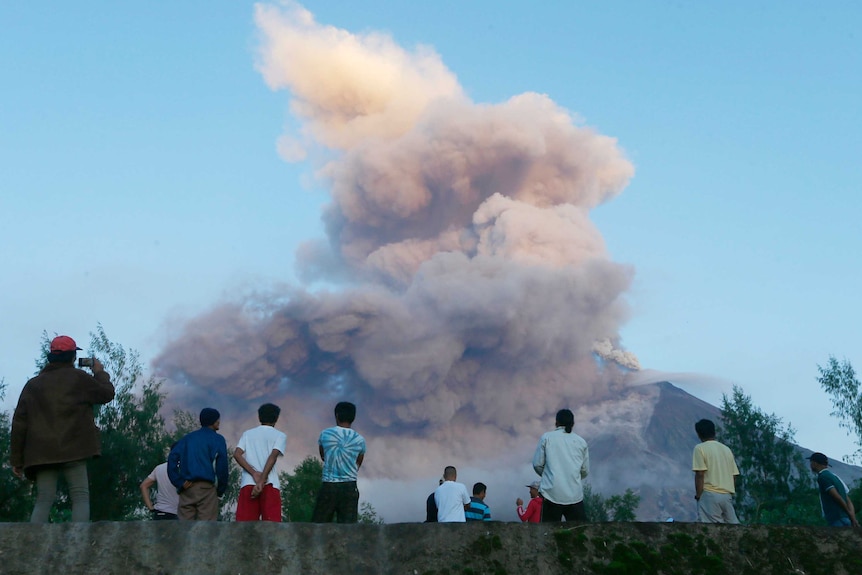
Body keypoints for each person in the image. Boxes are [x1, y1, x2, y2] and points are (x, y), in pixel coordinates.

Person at [10, 335, 115, 523]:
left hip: (42, 453)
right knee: (80, 497)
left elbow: (19, 423)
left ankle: (33, 545)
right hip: (75, 449)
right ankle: (78, 545)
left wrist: (17, 459)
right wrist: (99, 372)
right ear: (73, 357)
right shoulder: (79, 378)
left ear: (51, 356)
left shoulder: (33, 385)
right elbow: (106, 394)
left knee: (43, 500)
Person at [167, 407, 229, 521]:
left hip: (187, 488)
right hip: (207, 489)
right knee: (206, 530)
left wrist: (179, 481)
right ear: (214, 421)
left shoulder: (187, 439)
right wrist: (220, 490)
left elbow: (172, 458)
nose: (219, 422)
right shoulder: (218, 439)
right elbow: (222, 467)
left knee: (185, 529)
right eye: (218, 419)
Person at [312, 401, 366, 523]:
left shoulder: (325, 434)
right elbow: (359, 460)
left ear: (336, 415)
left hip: (329, 484)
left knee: (319, 526)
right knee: (348, 529)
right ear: (353, 417)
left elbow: (323, 455)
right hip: (349, 486)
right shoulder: (360, 439)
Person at [532, 408, 590, 522]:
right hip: (574, 495)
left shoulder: (547, 438)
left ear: (556, 422)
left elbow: (537, 464)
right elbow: (584, 470)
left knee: (549, 534)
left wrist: (548, 475)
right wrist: (573, 478)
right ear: (572, 424)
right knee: (579, 532)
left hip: (551, 494)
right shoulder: (581, 442)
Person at [233, 403, 287, 522]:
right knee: (272, 527)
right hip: (270, 484)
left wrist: (254, 473)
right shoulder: (280, 436)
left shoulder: (248, 434)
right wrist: (262, 481)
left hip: (248, 483)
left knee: (245, 527)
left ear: (259, 417)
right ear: (276, 418)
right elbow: (272, 457)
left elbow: (237, 454)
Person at [692, 418, 740, 524]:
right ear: (714, 432)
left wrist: (699, 495)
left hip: (709, 494)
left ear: (699, 434)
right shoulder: (726, 449)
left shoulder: (700, 448)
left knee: (711, 530)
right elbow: (734, 476)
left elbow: (700, 474)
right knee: (733, 527)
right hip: (727, 495)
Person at [808, 452, 859, 527]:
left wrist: (849, 514)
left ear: (815, 463)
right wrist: (852, 518)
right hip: (845, 518)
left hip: (836, 519)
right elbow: (847, 499)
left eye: (811, 462)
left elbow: (836, 496)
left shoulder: (823, 477)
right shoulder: (835, 477)